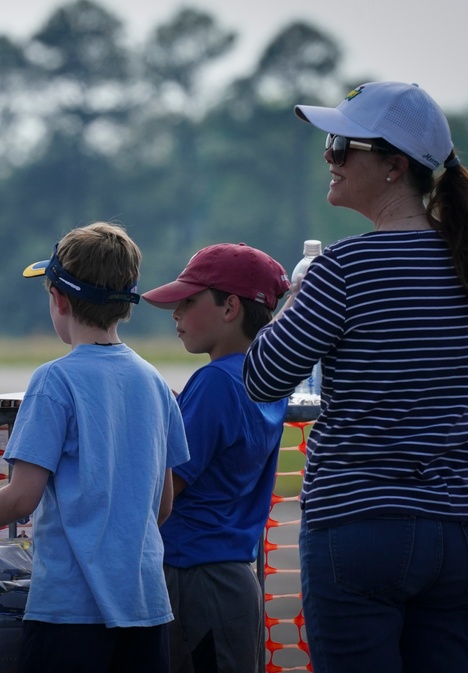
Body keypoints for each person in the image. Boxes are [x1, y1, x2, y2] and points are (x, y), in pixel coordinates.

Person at [242, 81, 468, 673]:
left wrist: (293, 299)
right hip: (460, 527)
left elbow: (262, 376)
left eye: (341, 145)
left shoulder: (343, 268)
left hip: (361, 527)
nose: (328, 158)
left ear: (393, 166)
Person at [0, 221, 190, 673]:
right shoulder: (155, 382)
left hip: (70, 612)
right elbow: (163, 505)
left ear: (57, 298)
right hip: (145, 606)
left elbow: (22, 495)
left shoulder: (55, 380)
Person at [142, 243, 290, 673]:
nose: (176, 314)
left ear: (230, 308)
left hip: (194, 577)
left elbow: (169, 486)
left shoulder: (214, 382)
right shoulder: (261, 376)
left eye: (188, 301)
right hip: (229, 577)